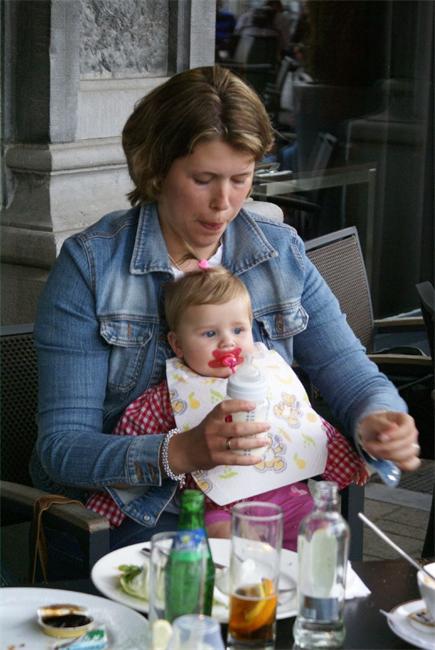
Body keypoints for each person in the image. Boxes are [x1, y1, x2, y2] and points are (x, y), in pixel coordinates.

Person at [32, 65, 420, 566]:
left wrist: (379, 420)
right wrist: (182, 451)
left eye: (241, 179)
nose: (224, 204)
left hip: (270, 503)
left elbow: (353, 375)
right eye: (203, 180)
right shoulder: (91, 266)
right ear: (155, 170)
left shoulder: (279, 253)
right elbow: (61, 449)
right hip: (144, 517)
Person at [86, 267, 368, 550]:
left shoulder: (269, 374)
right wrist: (106, 508)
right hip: (218, 507)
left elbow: (306, 424)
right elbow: (132, 447)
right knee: (227, 540)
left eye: (238, 330)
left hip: (287, 495)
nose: (228, 342)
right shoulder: (168, 397)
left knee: (320, 534)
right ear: (178, 344)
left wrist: (345, 464)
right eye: (210, 333)